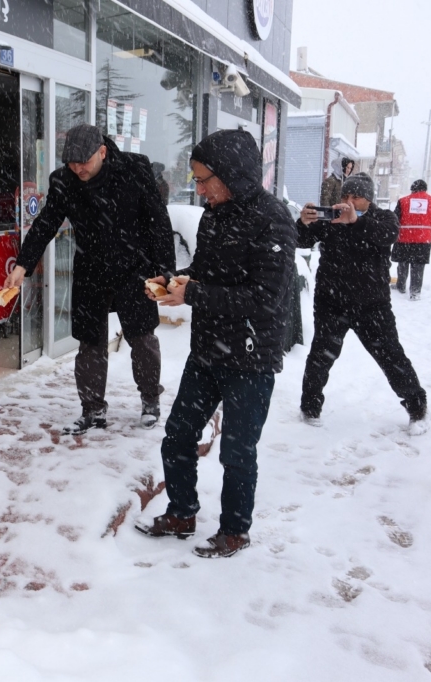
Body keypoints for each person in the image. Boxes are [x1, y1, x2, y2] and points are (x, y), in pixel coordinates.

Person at [135, 129, 296, 559]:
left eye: (205, 180)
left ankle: (234, 531)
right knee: (177, 436)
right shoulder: (214, 215)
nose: (199, 189)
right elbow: (205, 273)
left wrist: (194, 294)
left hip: (250, 355)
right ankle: (183, 512)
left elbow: (265, 300)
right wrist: (175, 280)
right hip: (207, 351)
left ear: (231, 174)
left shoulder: (272, 219)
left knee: (237, 453)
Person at [2, 124, 174, 433]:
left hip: (135, 267)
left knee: (143, 338)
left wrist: (165, 272)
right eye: (73, 163)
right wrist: (22, 265)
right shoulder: (64, 180)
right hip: (91, 270)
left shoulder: (134, 168)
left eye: (85, 162)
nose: (79, 169)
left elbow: (158, 221)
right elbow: (45, 224)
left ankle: (150, 400)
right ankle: (93, 409)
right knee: (90, 343)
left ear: (103, 152)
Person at [297, 172, 428, 433]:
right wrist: (302, 223)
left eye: (356, 197)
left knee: (391, 356)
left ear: (368, 199)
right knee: (320, 358)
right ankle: (309, 409)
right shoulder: (332, 218)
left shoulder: (384, 218)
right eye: (346, 195)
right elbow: (301, 240)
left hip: (372, 306)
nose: (349, 201)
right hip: (331, 303)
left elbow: (387, 236)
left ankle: (417, 408)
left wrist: (355, 221)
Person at [392, 179, 431, 300]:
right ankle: (415, 292)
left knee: (402, 263)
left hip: (404, 238)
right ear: (425, 189)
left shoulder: (403, 201)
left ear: (412, 189)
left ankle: (401, 286)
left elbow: (395, 218)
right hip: (423, 240)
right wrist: (425, 231)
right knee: (418, 266)